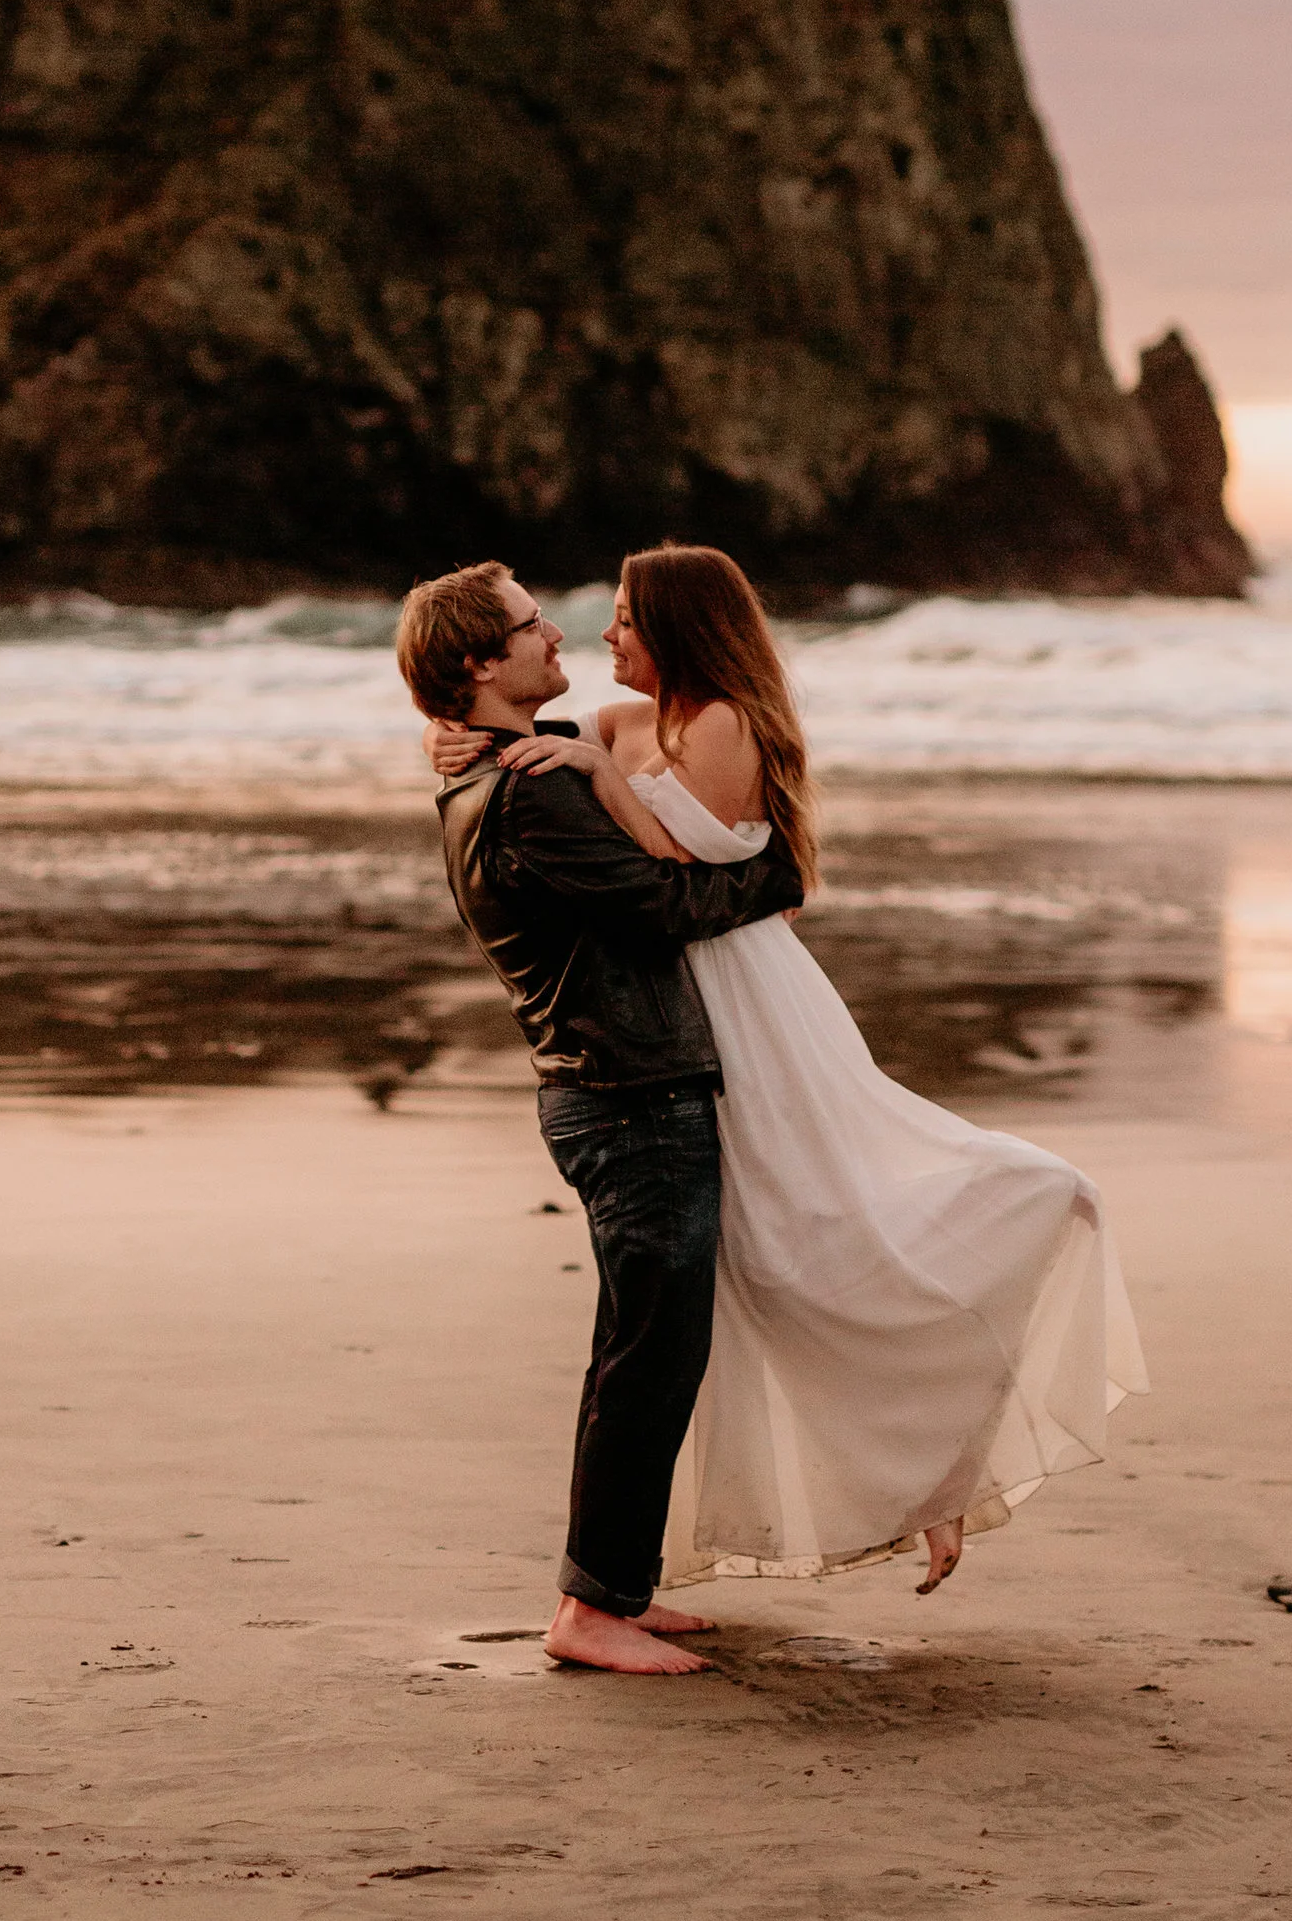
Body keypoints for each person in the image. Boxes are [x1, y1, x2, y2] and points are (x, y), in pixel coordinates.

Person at [424, 543, 1148, 1612]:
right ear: (490, 657)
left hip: (742, 1006)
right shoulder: (611, 735)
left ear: (676, 628)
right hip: (677, 1032)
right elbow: (582, 792)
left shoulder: (710, 726)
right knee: (774, 1269)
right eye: (566, 620)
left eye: (623, 617)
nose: (595, 632)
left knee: (824, 1239)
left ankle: (916, 1470)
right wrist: (473, 733)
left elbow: (678, 878)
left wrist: (587, 773)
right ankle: (643, 1579)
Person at [396, 558, 806, 1676]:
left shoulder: (495, 769)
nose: (558, 639)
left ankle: (615, 1587)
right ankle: (591, 1610)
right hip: (628, 1097)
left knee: (652, 1347)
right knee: (647, 1353)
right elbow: (675, 905)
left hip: (612, 1089)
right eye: (532, 630)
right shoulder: (530, 792)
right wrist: (782, 881)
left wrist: (537, 739)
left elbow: (607, 758)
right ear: (482, 662)